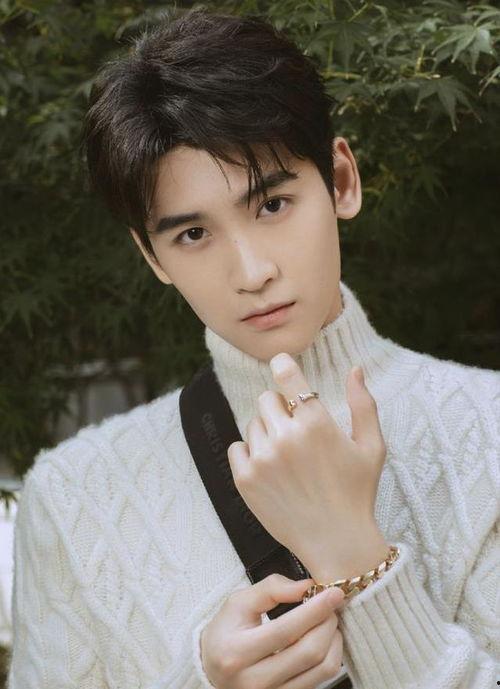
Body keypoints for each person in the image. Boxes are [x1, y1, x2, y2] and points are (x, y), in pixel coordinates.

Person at [7, 7, 500, 689]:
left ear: (342, 181)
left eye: (271, 204)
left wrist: (355, 555)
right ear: (151, 255)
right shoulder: (73, 495)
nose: (252, 271)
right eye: (193, 234)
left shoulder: (489, 432)